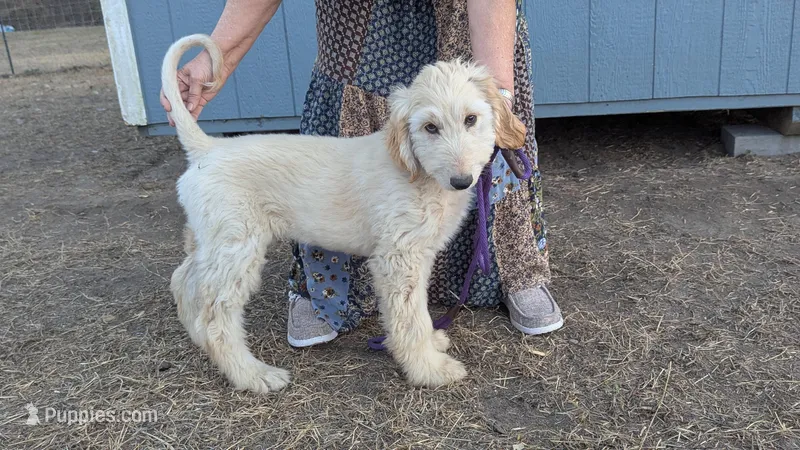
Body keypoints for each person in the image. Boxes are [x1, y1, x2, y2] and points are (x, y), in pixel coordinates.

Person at [161, 0, 563, 348]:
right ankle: (326, 292)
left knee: (467, 163)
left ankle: (514, 271)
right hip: (357, 37)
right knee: (334, 187)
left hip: (467, 33)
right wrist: (220, 56)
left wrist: (498, 91)